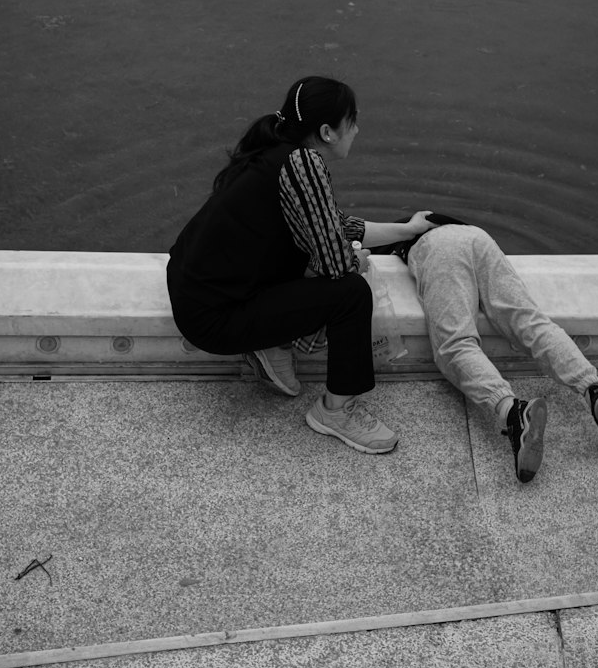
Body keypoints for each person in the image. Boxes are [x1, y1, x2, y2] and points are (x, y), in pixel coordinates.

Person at [166, 77, 435, 456]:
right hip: (215, 318)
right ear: (327, 131)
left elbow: (334, 224)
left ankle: (269, 344)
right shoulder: (304, 164)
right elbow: (337, 266)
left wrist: (408, 229)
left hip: (194, 290)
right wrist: (355, 258)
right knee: (351, 293)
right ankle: (335, 411)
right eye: (352, 121)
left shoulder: (278, 149)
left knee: (317, 261)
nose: (356, 130)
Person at [378, 217, 598, 483]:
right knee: (530, 323)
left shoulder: (395, 232)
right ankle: (595, 392)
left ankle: (513, 412)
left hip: (436, 249)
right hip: (478, 238)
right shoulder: (430, 218)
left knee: (454, 344)